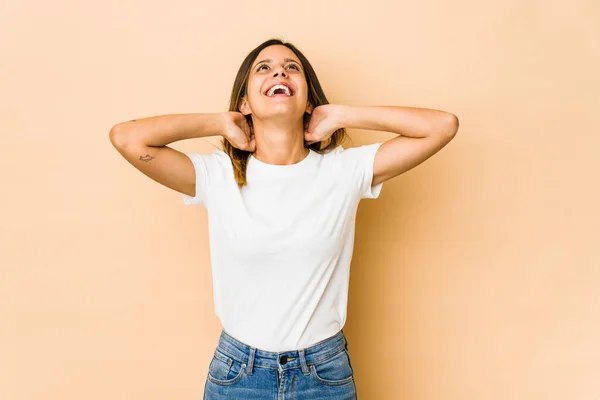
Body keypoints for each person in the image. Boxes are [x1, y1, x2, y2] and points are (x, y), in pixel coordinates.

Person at [109, 38, 459, 400]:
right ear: (244, 102)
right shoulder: (217, 176)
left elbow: (442, 126)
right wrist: (220, 122)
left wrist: (340, 115)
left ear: (309, 100)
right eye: (264, 67)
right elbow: (127, 137)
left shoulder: (344, 170)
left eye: (292, 68)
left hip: (324, 373)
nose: (279, 71)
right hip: (238, 374)